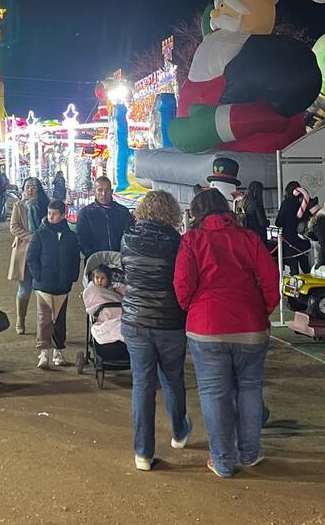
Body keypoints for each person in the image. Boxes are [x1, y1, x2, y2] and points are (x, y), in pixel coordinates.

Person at [175, 188, 280, 477]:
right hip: (250, 325)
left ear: (196, 213)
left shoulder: (191, 241)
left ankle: (222, 461)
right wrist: (263, 310)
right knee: (250, 388)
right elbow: (271, 279)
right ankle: (249, 453)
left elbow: (183, 284)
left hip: (207, 326)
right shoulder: (248, 238)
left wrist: (193, 308)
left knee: (214, 393)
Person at [119, 190, 189, 471]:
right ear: (170, 212)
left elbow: (125, 272)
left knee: (142, 385)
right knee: (173, 379)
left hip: (135, 321)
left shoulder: (127, 238)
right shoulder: (177, 242)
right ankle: (179, 431)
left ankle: (143, 453)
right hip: (170, 321)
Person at [26, 199, 80, 369]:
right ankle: (43, 353)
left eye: (55, 214)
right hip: (43, 285)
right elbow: (31, 257)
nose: (51, 216)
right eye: (49, 213)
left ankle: (58, 351)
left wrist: (71, 277)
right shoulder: (39, 234)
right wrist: (38, 276)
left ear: (63, 215)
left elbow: (75, 257)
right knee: (44, 319)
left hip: (62, 285)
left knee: (60, 319)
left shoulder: (71, 236)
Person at [9, 177, 49, 335]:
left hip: (44, 252)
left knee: (44, 290)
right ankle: (21, 318)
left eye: (34, 187)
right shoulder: (18, 205)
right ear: (23, 189)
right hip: (24, 252)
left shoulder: (45, 205)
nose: (31, 190)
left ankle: (44, 323)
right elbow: (14, 227)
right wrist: (33, 237)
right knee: (24, 289)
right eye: (28, 187)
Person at [76, 176, 134, 259]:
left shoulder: (122, 211)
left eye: (107, 190)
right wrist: (94, 256)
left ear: (111, 191)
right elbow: (81, 239)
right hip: (95, 263)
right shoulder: (85, 213)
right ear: (94, 192)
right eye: (100, 190)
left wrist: (122, 256)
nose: (103, 194)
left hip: (119, 261)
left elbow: (129, 236)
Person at [275, 181, 314, 274]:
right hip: (302, 240)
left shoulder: (286, 203)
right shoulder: (304, 204)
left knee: (294, 269)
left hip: (289, 241)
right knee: (306, 268)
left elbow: (278, 223)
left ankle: (294, 287)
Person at [235, 180, 270, 247]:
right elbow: (263, 223)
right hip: (258, 236)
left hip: (245, 235)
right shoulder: (256, 205)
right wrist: (267, 222)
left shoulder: (241, 203)